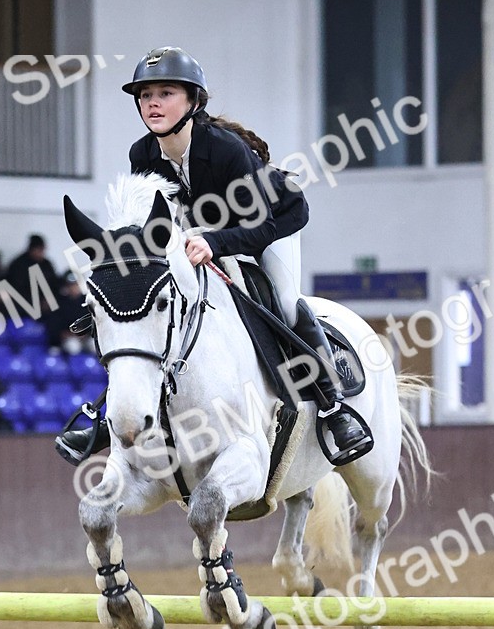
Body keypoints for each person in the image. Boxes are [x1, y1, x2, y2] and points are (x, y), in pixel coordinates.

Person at [56, 46, 370, 464]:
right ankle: (106, 414)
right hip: (198, 238)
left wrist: (216, 243)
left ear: (193, 101)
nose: (152, 102)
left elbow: (264, 224)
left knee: (286, 304)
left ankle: (333, 408)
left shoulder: (225, 150)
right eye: (145, 94)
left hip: (270, 227)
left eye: (166, 93)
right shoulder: (142, 154)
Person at [5, 234, 61, 345]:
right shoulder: (18, 265)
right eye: (38, 250)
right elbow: (14, 291)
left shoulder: (46, 265)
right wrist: (35, 304)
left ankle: (54, 347)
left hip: (45, 310)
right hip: (22, 309)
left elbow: (55, 286)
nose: (41, 253)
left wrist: (49, 300)